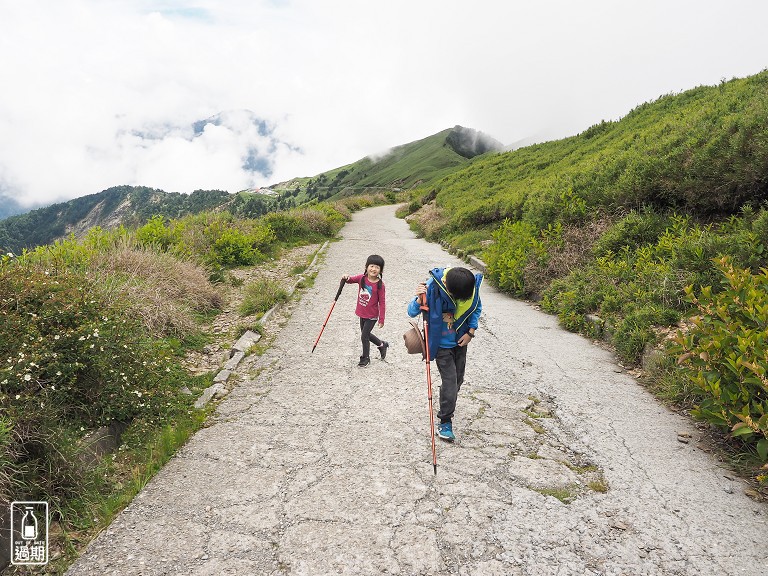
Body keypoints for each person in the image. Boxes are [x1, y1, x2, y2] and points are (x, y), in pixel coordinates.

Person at [407, 266, 482, 441]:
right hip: (441, 346)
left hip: (460, 342)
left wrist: (470, 332)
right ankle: (445, 421)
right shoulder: (430, 288)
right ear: (446, 285)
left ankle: (447, 397)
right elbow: (411, 312)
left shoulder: (467, 286)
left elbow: (476, 308)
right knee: (450, 383)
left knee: (457, 380)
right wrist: (418, 299)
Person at [342, 254, 388, 367]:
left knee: (364, 336)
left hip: (372, 316)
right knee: (366, 334)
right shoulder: (361, 278)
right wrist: (346, 277)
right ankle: (382, 345)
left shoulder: (380, 285)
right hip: (362, 313)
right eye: (371, 266)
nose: (374, 269)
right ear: (366, 267)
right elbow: (350, 280)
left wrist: (381, 319)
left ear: (380, 270)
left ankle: (365, 358)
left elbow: (382, 303)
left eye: (377, 267)